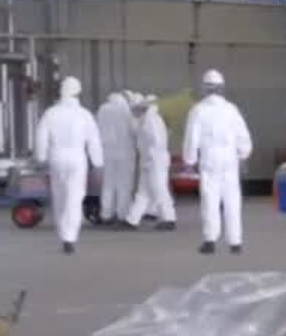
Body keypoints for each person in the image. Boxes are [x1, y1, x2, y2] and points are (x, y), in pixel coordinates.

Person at [183, 68, 252, 255]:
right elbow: (242, 135)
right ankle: (235, 242)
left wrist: (190, 160)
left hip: (209, 161)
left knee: (210, 201)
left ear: (204, 88)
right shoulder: (231, 109)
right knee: (232, 201)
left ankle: (210, 240)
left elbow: (192, 139)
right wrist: (243, 155)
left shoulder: (198, 110)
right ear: (222, 88)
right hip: (229, 161)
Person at [33, 76, 103, 255]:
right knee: (75, 198)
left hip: (56, 158)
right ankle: (69, 237)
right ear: (78, 92)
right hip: (77, 158)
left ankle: (63, 233)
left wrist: (41, 157)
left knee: (60, 197)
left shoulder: (50, 113)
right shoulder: (84, 114)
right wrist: (97, 161)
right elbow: (93, 139)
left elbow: (41, 136)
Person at [125, 92, 178, 230]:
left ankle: (169, 218)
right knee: (143, 192)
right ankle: (132, 220)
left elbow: (157, 141)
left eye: (134, 109)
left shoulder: (152, 120)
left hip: (155, 161)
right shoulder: (144, 119)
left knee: (159, 189)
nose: (133, 112)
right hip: (148, 161)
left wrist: (150, 156)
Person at [96, 90, 136, 226]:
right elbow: (133, 129)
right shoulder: (126, 110)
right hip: (125, 152)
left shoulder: (102, 109)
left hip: (106, 153)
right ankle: (122, 214)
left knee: (108, 184)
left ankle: (106, 214)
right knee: (124, 185)